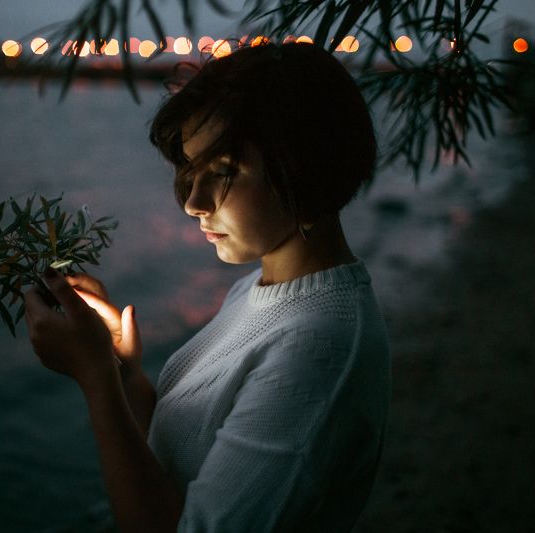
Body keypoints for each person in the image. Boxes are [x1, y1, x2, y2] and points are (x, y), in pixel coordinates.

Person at [23, 42, 391, 533]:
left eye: (224, 172)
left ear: (306, 169)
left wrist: (94, 379)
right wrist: (121, 370)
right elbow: (187, 457)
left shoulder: (319, 348)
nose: (193, 201)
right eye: (191, 170)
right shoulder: (254, 291)